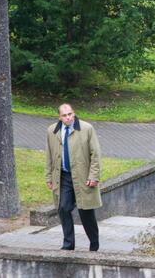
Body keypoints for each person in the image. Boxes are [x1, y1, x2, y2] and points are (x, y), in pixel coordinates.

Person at [45, 104, 101, 251]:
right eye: (64, 115)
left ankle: (94, 243)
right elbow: (49, 155)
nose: (68, 117)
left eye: (70, 114)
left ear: (74, 113)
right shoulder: (52, 131)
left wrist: (94, 175)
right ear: (59, 117)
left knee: (85, 211)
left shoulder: (86, 128)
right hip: (63, 177)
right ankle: (68, 244)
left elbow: (95, 154)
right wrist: (48, 177)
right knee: (63, 208)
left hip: (83, 177)